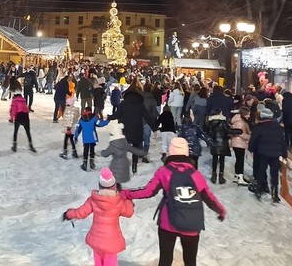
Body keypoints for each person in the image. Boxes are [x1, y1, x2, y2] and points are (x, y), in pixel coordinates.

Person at [121, 138, 226, 266]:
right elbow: (208, 197)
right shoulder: (195, 174)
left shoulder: (164, 172)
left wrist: (126, 194)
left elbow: (148, 191)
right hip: (191, 224)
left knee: (165, 259)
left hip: (168, 223)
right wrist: (221, 210)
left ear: (171, 152)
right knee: (190, 261)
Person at [62, 168, 134, 266]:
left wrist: (69, 214)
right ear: (114, 186)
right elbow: (129, 212)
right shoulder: (119, 202)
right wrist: (128, 199)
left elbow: (81, 212)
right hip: (111, 243)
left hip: (97, 241)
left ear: (100, 185)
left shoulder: (93, 200)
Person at [108, 79, 156, 174]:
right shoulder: (141, 105)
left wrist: (109, 117)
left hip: (125, 130)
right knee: (136, 148)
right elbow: (148, 118)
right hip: (137, 130)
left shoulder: (123, 104)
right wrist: (154, 129)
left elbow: (116, 115)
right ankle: (134, 166)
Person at [248, 107, 287, 202]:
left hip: (263, 153)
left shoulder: (259, 127)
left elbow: (254, 139)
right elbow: (282, 141)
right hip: (275, 154)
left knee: (261, 170)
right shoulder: (278, 127)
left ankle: (259, 188)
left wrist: (251, 148)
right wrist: (285, 154)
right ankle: (275, 193)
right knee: (274, 173)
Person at [101, 123, 146, 190]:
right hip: (124, 164)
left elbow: (105, 154)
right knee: (118, 182)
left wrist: (102, 152)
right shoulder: (124, 143)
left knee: (114, 181)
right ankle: (119, 192)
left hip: (115, 165)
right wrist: (142, 152)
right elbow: (133, 149)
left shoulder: (113, 145)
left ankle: (117, 194)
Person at [207, 109, 241, 184]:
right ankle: (221, 176)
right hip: (222, 143)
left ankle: (214, 175)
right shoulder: (223, 122)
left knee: (214, 159)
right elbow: (228, 131)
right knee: (222, 160)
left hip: (214, 143)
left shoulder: (210, 122)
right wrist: (239, 131)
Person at [9, 80, 36, 153]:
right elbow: (26, 109)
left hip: (19, 116)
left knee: (15, 131)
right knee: (28, 132)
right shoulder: (23, 100)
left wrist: (11, 118)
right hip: (25, 116)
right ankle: (31, 144)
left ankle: (14, 145)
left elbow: (13, 110)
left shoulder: (14, 100)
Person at [230, 107, 251, 186]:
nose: (249, 116)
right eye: (248, 114)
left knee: (239, 160)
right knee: (240, 160)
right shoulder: (240, 122)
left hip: (238, 143)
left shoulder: (239, 120)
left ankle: (237, 176)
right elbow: (239, 133)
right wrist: (249, 137)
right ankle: (240, 178)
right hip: (239, 143)